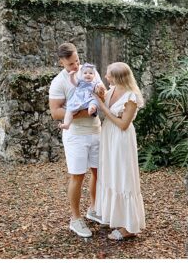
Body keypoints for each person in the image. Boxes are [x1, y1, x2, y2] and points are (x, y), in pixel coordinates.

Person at [48, 42, 103, 238]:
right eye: (71, 63)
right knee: (78, 176)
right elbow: (55, 113)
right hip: (75, 136)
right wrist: (81, 112)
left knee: (98, 172)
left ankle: (94, 208)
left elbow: (100, 94)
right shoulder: (59, 82)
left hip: (96, 131)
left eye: (77, 60)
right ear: (61, 61)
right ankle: (75, 218)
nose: (76, 66)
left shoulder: (89, 72)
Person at [92, 61, 146, 240]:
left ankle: (129, 227)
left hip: (121, 139)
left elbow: (123, 124)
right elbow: (101, 99)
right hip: (108, 136)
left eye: (109, 75)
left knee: (123, 177)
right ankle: (117, 217)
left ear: (118, 78)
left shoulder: (131, 97)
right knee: (112, 175)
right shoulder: (112, 90)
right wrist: (100, 96)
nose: (106, 77)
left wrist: (102, 106)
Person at [60, 62, 102, 130]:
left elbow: (98, 89)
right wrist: (71, 76)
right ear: (81, 75)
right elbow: (73, 82)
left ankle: (91, 109)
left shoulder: (94, 83)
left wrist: (99, 89)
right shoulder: (80, 82)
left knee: (94, 101)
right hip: (78, 100)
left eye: (91, 73)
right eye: (85, 73)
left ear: (94, 75)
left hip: (89, 99)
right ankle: (66, 124)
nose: (88, 75)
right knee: (69, 110)